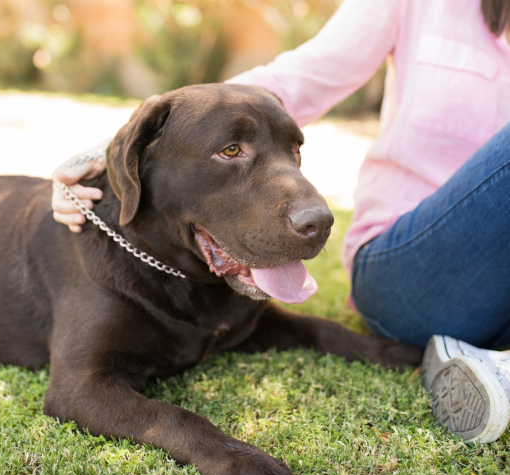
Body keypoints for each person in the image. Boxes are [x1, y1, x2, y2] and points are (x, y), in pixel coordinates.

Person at [50, 0, 510, 444]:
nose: (314, 210)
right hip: (407, 259)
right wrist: (107, 153)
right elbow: (279, 86)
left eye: (294, 152)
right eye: (232, 151)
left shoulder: (230, 300)